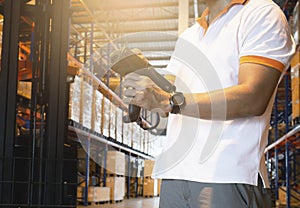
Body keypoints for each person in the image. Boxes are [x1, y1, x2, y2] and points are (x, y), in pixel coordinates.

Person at [123, 0, 295, 207]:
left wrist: (168, 101)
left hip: (227, 175)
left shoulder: (261, 14)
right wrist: (148, 82)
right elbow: (172, 101)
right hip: (175, 176)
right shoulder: (189, 35)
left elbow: (253, 98)